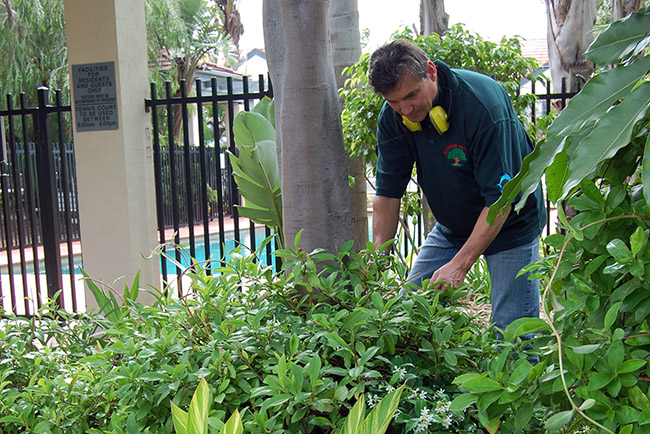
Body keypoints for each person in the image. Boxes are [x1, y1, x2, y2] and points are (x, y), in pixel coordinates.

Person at [368, 39, 546, 337]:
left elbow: (500, 200)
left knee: (511, 335)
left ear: (431, 72)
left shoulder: (481, 106)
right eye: (394, 102)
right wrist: (377, 262)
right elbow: (387, 193)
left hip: (510, 223)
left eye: (411, 95)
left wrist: (460, 265)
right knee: (406, 312)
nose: (405, 109)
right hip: (452, 226)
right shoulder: (394, 118)